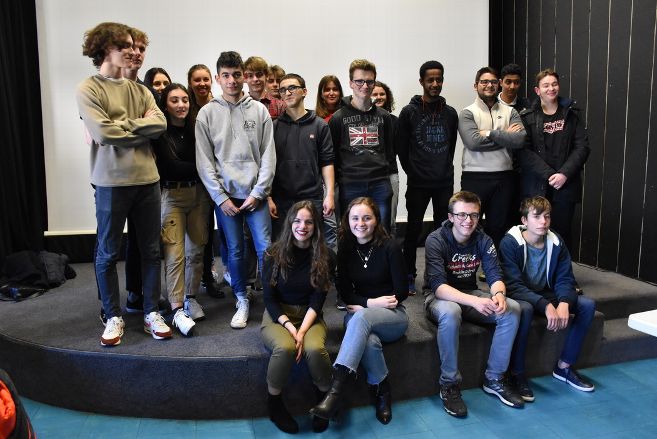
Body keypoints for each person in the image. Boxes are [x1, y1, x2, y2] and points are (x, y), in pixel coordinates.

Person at [77, 22, 170, 346]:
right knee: (107, 252)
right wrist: (138, 127)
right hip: (110, 183)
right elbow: (102, 133)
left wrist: (122, 126)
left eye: (134, 45)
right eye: (125, 46)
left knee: (151, 251)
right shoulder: (89, 89)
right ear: (106, 48)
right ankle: (112, 314)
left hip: (148, 181)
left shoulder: (141, 91)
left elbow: (159, 124)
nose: (132, 51)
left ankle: (150, 312)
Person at [424, 191, 523, 417]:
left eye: (474, 215)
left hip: (470, 293)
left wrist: (499, 294)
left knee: (512, 310)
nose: (468, 221)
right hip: (439, 298)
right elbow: (438, 287)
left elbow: (494, 275)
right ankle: (449, 384)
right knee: (451, 312)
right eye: (462, 215)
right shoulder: (435, 240)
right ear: (451, 217)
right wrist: (475, 301)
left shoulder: (483, 239)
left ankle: (494, 378)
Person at [311, 197, 408, 425]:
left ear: (376, 220)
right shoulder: (346, 248)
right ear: (348, 221)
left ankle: (335, 391)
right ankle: (383, 391)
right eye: (355, 218)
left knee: (361, 317)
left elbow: (401, 292)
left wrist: (366, 305)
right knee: (369, 341)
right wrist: (371, 303)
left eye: (367, 218)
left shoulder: (390, 247)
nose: (360, 223)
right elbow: (345, 294)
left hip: (393, 316)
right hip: (359, 315)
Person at [195, 51, 275, 329]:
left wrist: (259, 192)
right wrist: (220, 198)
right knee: (236, 251)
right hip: (226, 199)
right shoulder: (207, 114)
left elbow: (268, 156)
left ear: (244, 76)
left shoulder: (259, 110)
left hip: (256, 196)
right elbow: (204, 162)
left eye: (237, 75)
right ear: (218, 78)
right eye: (226, 75)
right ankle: (241, 298)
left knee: (266, 250)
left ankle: (273, 303)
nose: (232, 80)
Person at [500, 196, 596, 402]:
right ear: (524, 220)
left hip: (547, 292)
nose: (543, 222)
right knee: (525, 310)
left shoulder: (556, 241)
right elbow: (513, 285)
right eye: (536, 217)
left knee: (587, 305)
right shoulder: (510, 243)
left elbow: (565, 279)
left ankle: (564, 366)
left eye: (547, 216)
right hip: (521, 294)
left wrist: (564, 303)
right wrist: (545, 306)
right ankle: (516, 373)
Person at [261, 201, 334, 434]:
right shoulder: (272, 254)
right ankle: (274, 404)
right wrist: (291, 330)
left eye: (309, 222)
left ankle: (324, 400)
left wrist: (302, 331)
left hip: (309, 315)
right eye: (298, 221)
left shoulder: (326, 255)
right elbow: (269, 300)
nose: (303, 226)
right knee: (285, 348)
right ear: (290, 223)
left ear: (316, 226)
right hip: (279, 315)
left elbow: (317, 300)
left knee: (315, 349)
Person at [154, 83, 211, 335]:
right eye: (174, 100)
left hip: (198, 194)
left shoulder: (196, 128)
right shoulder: (160, 132)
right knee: (174, 254)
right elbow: (170, 167)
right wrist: (202, 167)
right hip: (172, 196)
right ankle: (177, 308)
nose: (181, 105)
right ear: (165, 105)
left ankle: (191, 298)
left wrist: (202, 167)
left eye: (185, 100)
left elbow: (206, 159)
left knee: (196, 250)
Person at [397, 61, 458, 294]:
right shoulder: (409, 112)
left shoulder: (450, 113)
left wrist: (443, 169)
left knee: (444, 231)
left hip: (443, 182)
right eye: (430, 80)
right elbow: (402, 149)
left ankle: (438, 276)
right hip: (418, 183)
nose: (435, 84)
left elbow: (451, 147)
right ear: (421, 81)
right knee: (413, 230)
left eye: (438, 79)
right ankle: (408, 274)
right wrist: (414, 171)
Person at [518, 68, 590, 251]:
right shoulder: (527, 116)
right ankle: (537, 268)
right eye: (546, 85)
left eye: (554, 84)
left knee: (562, 233)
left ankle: (561, 269)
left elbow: (582, 147)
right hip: (537, 184)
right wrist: (550, 174)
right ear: (537, 90)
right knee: (536, 233)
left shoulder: (572, 114)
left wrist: (564, 174)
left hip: (566, 184)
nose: (551, 88)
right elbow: (523, 151)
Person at [458, 67, 525, 249]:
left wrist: (488, 133)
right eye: (484, 82)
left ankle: (494, 264)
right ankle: (469, 264)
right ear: (476, 85)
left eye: (493, 82)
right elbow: (473, 143)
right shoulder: (467, 113)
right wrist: (505, 136)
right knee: (470, 226)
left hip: (504, 178)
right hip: (474, 178)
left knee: (499, 227)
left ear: (499, 84)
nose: (489, 85)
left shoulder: (511, 112)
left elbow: (519, 140)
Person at [268, 73, 335, 250]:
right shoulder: (274, 127)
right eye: (283, 90)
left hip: (312, 197)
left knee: (314, 247)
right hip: (281, 199)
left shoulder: (320, 126)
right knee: (283, 247)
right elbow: (266, 165)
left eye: (292, 88)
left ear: (304, 91)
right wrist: (268, 197)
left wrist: (329, 195)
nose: (287, 92)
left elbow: (327, 163)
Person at [329, 59, 396, 231]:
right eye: (359, 81)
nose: (365, 86)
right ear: (351, 83)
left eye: (369, 81)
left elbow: (389, 152)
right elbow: (333, 156)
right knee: (350, 233)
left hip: (380, 184)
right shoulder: (338, 118)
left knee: (382, 232)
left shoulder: (384, 117)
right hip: (350, 185)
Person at [186, 64, 226, 301]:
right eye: (196, 80)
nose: (201, 84)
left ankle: (209, 277)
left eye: (205, 79)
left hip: (219, 178)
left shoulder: (218, 106)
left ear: (212, 80)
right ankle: (197, 281)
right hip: (196, 181)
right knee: (199, 234)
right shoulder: (186, 108)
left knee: (214, 233)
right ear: (190, 82)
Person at [372, 81, 400, 238]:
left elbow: (400, 149)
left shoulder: (395, 121)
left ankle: (391, 250)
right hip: (369, 176)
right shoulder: (363, 121)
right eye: (374, 94)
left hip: (390, 174)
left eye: (382, 94)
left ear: (387, 97)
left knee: (390, 221)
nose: (378, 97)